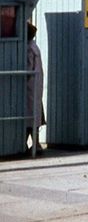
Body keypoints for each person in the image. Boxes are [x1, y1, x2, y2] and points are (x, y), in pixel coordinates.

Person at [26, 23, 44, 152]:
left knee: (29, 115)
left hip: (29, 86)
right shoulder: (35, 47)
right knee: (35, 114)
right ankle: (36, 144)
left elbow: (28, 67)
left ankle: (35, 145)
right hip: (36, 85)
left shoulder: (28, 48)